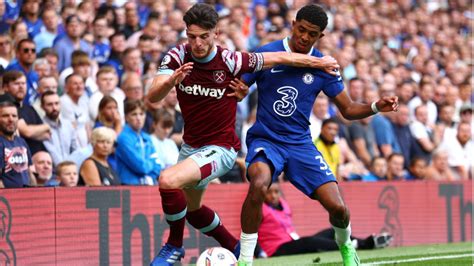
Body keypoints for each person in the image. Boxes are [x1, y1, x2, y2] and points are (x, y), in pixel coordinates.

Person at [145, 3, 339, 265]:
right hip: (191, 148)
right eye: (192, 36)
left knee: (167, 180)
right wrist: (171, 81)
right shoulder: (178, 56)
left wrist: (319, 61)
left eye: (204, 36)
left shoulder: (231, 60)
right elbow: (153, 97)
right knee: (192, 211)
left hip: (221, 149)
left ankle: (174, 246)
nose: (198, 43)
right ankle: (235, 248)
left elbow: (281, 57)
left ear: (216, 33)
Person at [237, 5, 398, 266]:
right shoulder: (266, 54)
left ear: (319, 36)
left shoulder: (325, 65)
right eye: (301, 30)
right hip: (266, 140)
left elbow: (347, 109)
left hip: (300, 144)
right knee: (258, 184)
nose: (304, 37)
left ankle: (346, 247)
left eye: (311, 34)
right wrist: (240, 91)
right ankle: (245, 260)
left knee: (339, 208)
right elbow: (239, 86)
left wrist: (375, 106)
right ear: (292, 24)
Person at [258, 183, 392, 257]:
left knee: (330, 231)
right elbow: (251, 231)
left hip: (292, 242)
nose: (273, 196)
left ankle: (366, 242)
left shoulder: (284, 205)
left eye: (276, 192)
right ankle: (358, 245)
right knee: (308, 242)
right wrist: (260, 253)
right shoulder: (259, 208)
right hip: (276, 249)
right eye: (269, 192)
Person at [115, 100, 160, 185]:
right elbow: (140, 166)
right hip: (129, 186)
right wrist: (151, 163)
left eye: (141, 114)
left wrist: (150, 177)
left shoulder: (147, 137)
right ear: (126, 118)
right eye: (134, 114)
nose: (138, 118)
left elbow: (158, 165)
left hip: (148, 184)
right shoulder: (123, 138)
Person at [0, 96, 35, 188]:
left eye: (14, 116)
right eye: (5, 116)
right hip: (9, 198)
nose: (11, 119)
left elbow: (29, 172)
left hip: (26, 195)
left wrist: (35, 192)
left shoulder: (21, 141)